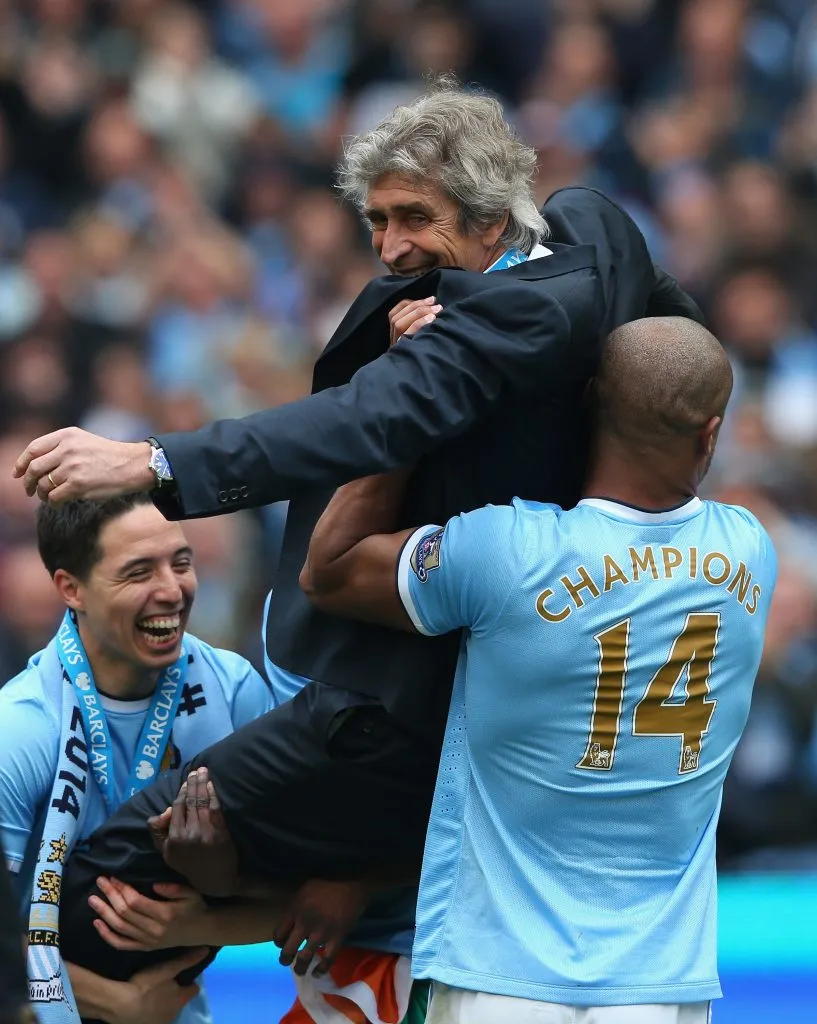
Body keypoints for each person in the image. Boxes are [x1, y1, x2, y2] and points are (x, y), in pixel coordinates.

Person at [15, 82, 704, 977]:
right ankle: (337, 889)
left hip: (391, 705)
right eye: (376, 221)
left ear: (493, 213)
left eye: (414, 216)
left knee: (103, 872)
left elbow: (363, 421)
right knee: (205, 841)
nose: (391, 247)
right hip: (420, 677)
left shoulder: (510, 316)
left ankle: (227, 942)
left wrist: (148, 462)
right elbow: (677, 347)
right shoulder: (587, 230)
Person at [300, 317, 777, 1024]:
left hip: (496, 972)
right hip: (660, 982)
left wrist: (408, 392)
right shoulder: (749, 554)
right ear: (708, 434)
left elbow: (328, 570)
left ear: (586, 404)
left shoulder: (505, 551)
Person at [0, 494, 283, 1024]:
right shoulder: (18, 729)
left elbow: (312, 899)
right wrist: (118, 1005)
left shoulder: (235, 692)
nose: (172, 590)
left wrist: (199, 925)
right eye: (138, 572)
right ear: (71, 588)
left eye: (181, 562)